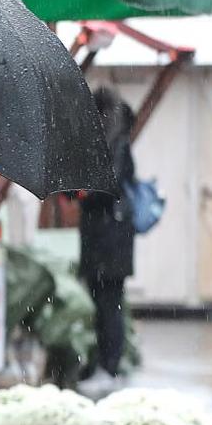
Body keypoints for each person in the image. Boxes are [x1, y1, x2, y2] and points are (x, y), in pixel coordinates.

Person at [78, 87, 137, 393]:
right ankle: (105, 365)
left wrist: (83, 192)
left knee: (109, 304)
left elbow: (108, 186)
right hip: (104, 239)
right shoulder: (111, 140)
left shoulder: (115, 142)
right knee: (104, 304)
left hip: (110, 240)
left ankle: (109, 368)